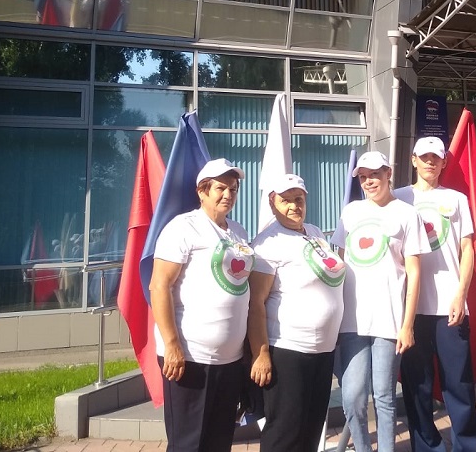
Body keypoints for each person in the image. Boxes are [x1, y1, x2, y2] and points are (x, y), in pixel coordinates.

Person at [150, 158, 254, 452]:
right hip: (191, 357)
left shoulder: (239, 232)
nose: (228, 194)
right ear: (202, 191)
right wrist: (172, 345)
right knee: (189, 445)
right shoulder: (183, 228)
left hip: (230, 360)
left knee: (219, 443)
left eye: (233, 189)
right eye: (221, 188)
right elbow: (159, 286)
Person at [331, 150, 428, 452]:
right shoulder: (351, 213)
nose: (369, 181)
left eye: (375, 174)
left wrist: (407, 324)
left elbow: (414, 272)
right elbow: (338, 265)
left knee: (384, 397)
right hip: (352, 321)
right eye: (363, 177)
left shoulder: (407, 214)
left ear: (389, 173)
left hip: (389, 320)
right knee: (352, 397)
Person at [248, 173, 346, 452]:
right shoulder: (267, 243)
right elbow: (255, 303)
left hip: (322, 351)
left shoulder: (314, 232)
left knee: (311, 430)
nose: (294, 206)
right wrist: (260, 354)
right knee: (285, 432)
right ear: (272, 203)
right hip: (288, 350)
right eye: (286, 200)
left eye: (299, 199)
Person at [394, 136, 476, 452]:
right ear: (414, 160)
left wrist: (461, 294)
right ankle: (428, 446)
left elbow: (467, 249)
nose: (430, 162)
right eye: (424, 157)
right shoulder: (398, 198)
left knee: (459, 384)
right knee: (417, 387)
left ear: (444, 162)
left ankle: (466, 446)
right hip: (411, 311)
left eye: (436, 157)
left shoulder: (457, 199)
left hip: (450, 306)